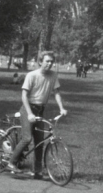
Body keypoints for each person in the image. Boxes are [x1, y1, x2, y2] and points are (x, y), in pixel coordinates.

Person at [6, 50, 68, 179]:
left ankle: (38, 171)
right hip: (28, 108)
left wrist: (61, 108)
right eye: (47, 61)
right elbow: (24, 96)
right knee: (27, 138)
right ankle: (11, 162)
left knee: (40, 141)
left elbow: (56, 92)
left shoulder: (53, 75)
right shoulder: (32, 75)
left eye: (52, 61)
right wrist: (29, 113)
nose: (50, 64)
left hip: (40, 110)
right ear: (40, 62)